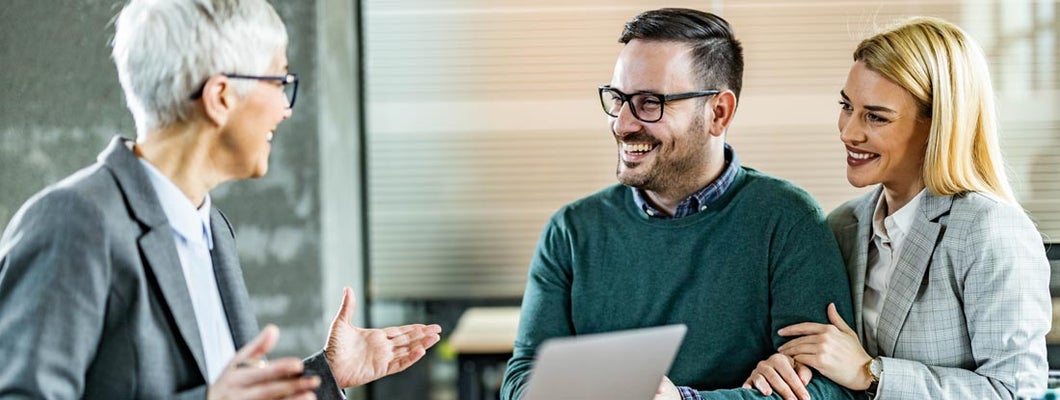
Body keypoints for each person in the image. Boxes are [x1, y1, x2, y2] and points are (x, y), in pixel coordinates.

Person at [0, 0, 441, 398]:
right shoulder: (73, 221)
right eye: (279, 80)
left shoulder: (212, 229)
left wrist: (324, 375)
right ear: (221, 97)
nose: (285, 108)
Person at [499, 8, 857, 400]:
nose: (622, 123)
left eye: (649, 103)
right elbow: (521, 382)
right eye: (618, 99)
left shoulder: (786, 220)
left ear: (718, 112)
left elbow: (829, 389)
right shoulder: (571, 231)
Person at [741, 16, 1051, 400]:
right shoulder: (843, 226)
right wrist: (785, 367)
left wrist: (872, 374)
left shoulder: (989, 230)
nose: (848, 131)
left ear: (937, 124)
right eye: (846, 106)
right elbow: (827, 360)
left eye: (876, 116)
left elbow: (1014, 392)